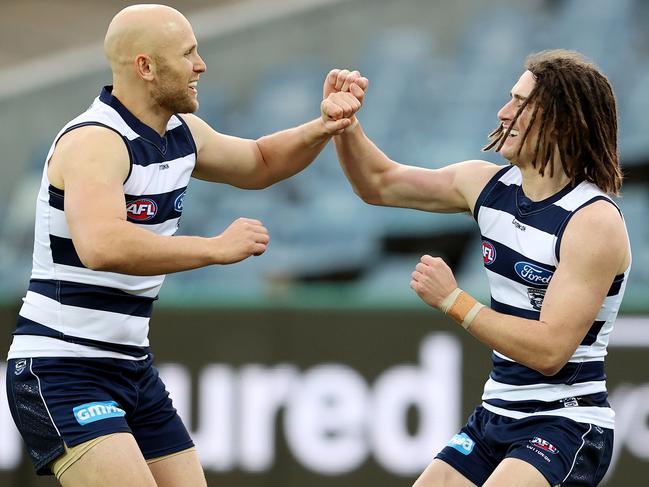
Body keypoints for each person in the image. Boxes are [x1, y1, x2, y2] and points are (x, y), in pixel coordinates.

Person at [4, 4, 367, 487]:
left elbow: (259, 162)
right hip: (63, 367)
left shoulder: (181, 134)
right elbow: (101, 244)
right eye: (188, 53)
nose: (201, 65)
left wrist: (321, 126)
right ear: (146, 67)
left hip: (132, 367)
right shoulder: (96, 140)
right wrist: (214, 249)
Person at [323, 50, 630, 487]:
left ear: (562, 122)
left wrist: (453, 300)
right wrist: (346, 124)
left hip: (565, 424)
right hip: (494, 416)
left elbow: (549, 352)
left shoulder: (592, 221)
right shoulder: (486, 185)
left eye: (522, 104)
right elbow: (378, 183)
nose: (504, 112)